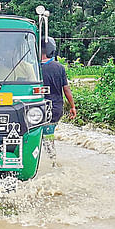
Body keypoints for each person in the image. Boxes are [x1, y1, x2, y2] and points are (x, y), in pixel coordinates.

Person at [40, 37, 77, 165]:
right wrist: (72, 106)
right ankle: (51, 160)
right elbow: (66, 90)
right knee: (48, 135)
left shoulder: (34, 68)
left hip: (36, 109)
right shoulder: (59, 67)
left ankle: (50, 162)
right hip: (56, 108)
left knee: (41, 136)